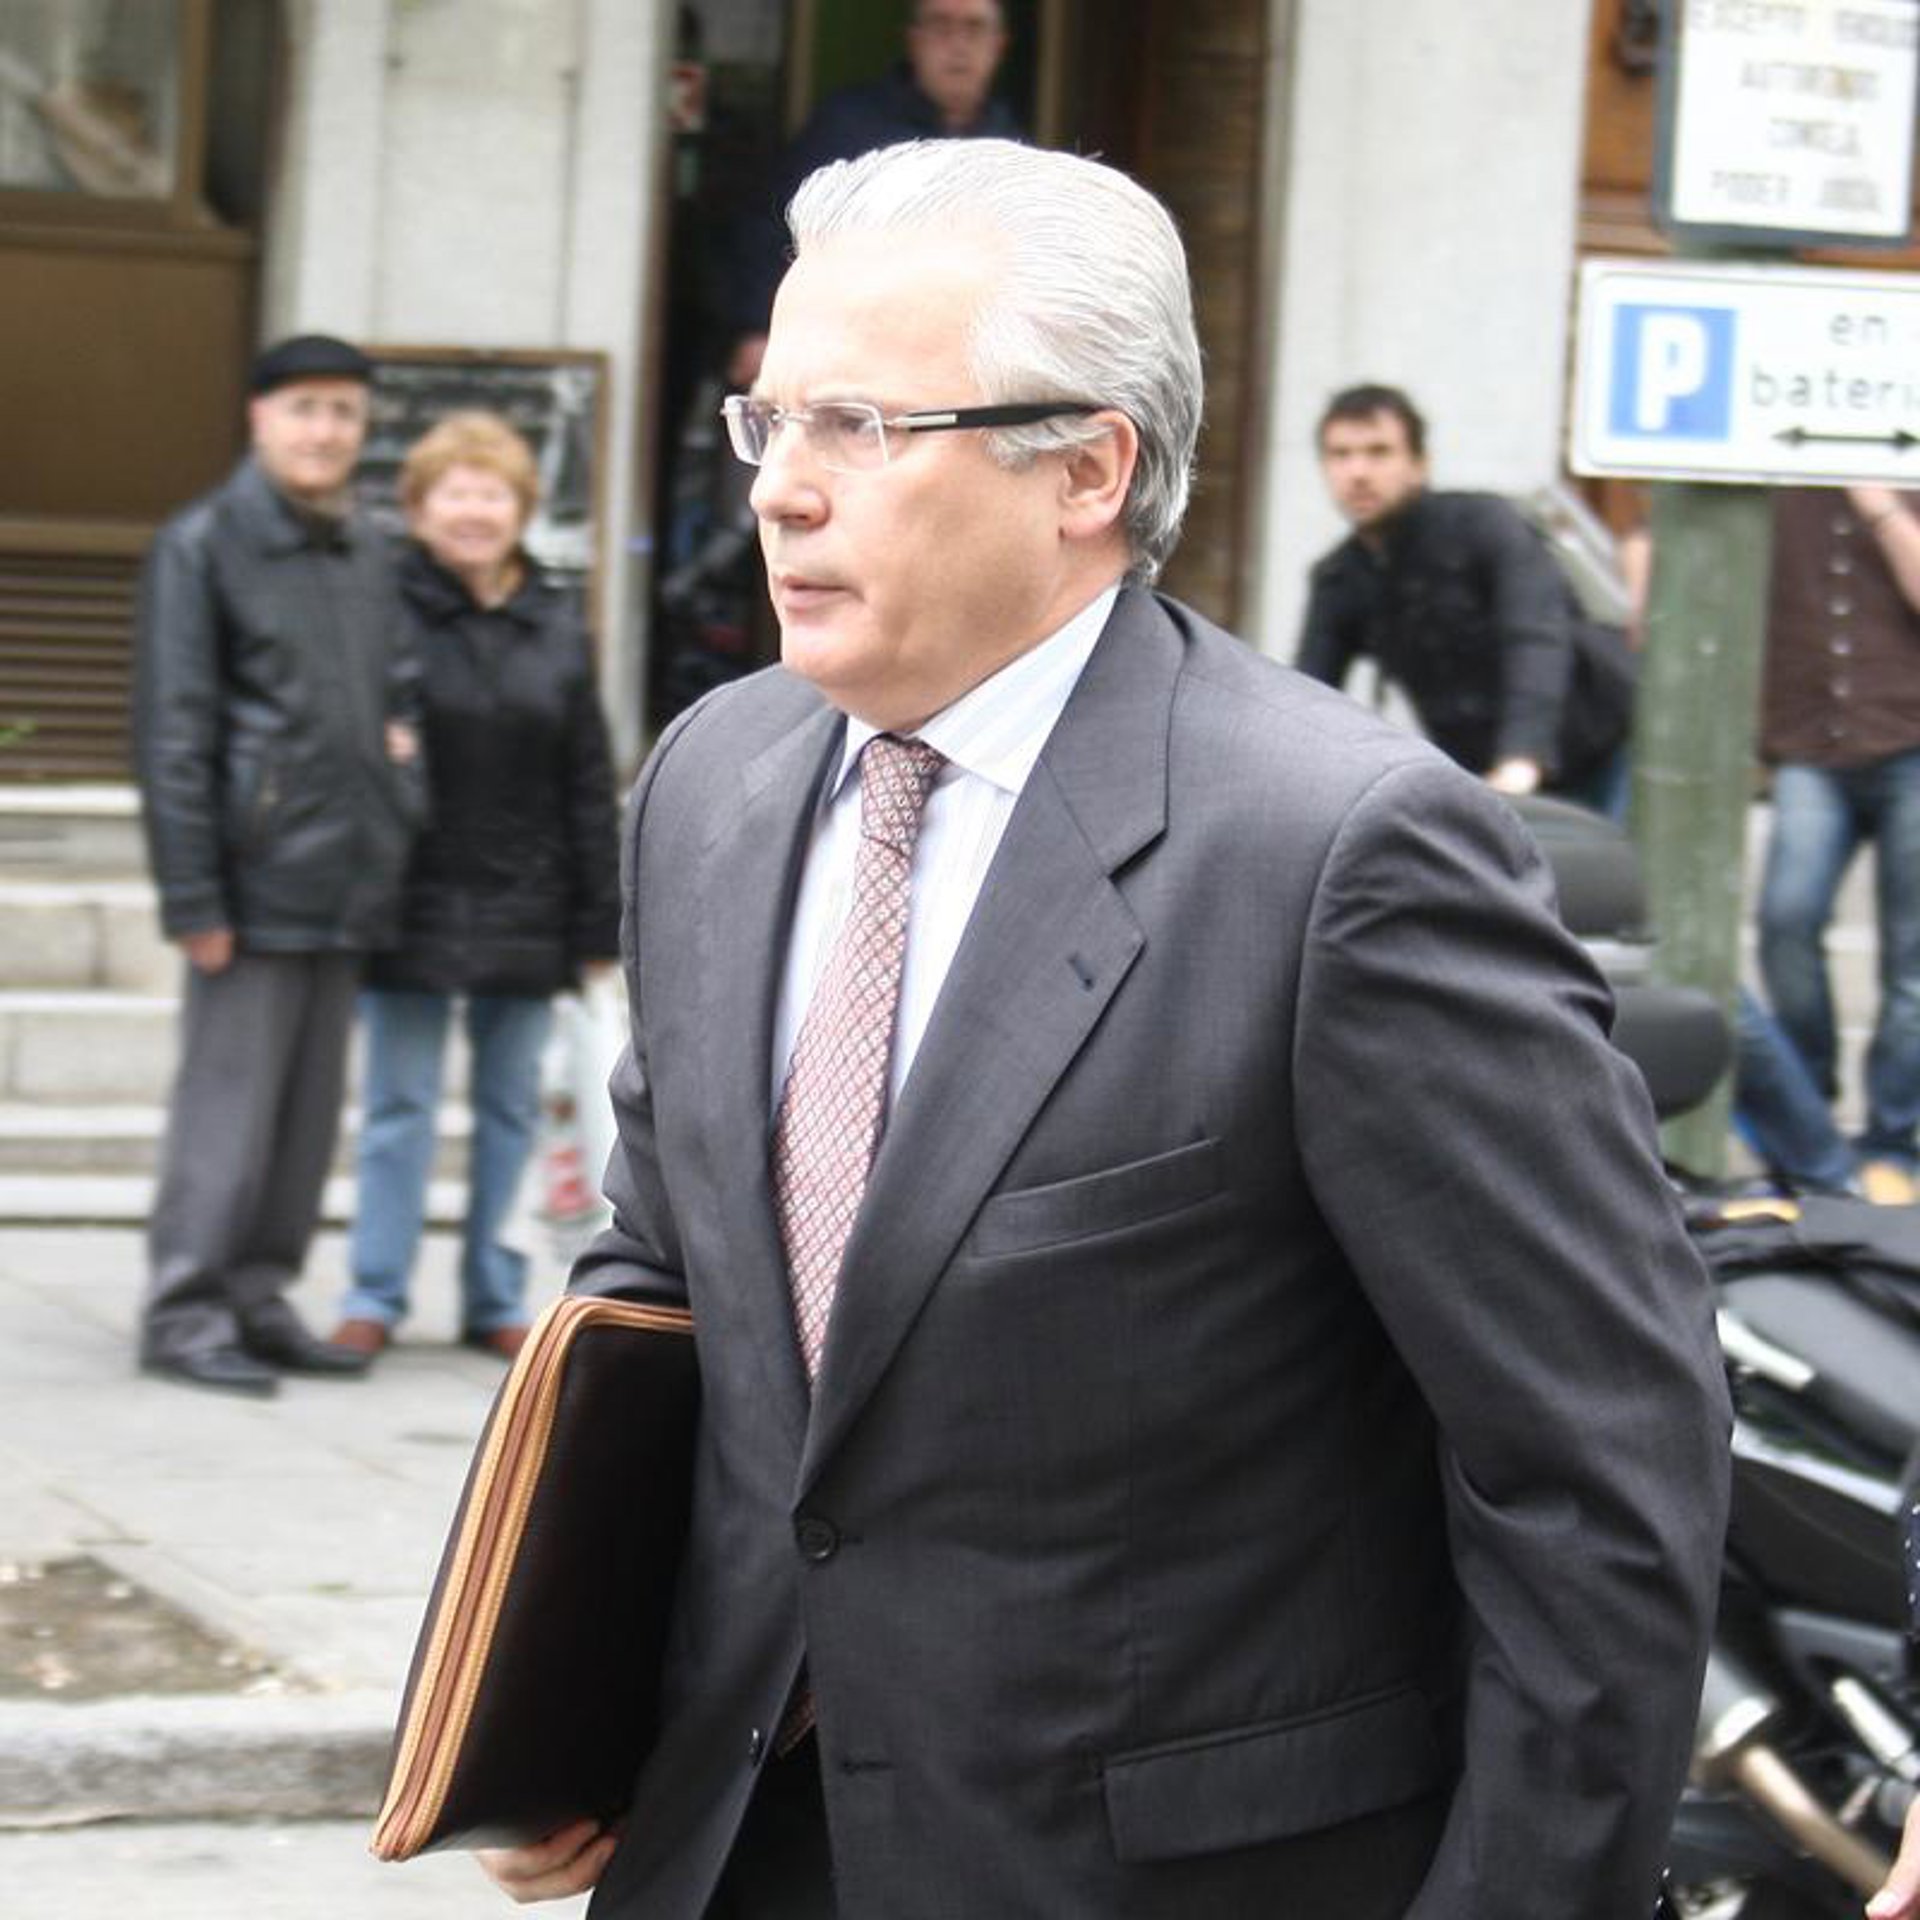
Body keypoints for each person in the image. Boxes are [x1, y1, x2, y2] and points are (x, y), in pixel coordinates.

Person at [477, 139, 1729, 1919]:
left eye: (861, 427)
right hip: (733, 1843)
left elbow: (1598, 1466)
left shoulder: (1337, 850)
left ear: (1086, 469)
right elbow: (667, 1277)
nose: (783, 493)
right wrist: (562, 1711)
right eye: (770, 422)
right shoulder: (714, 775)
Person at [133, 333, 424, 1397]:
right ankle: (187, 1309)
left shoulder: (367, 548)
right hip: (249, 881)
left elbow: (397, 697)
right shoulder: (203, 544)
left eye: (345, 412)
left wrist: (403, 794)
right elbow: (173, 730)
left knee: (303, 1122)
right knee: (228, 1113)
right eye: (305, 408)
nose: (325, 431)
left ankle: (257, 1298)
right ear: (260, 417)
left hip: (346, 870)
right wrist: (192, 894)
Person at [329, 412, 621, 1365]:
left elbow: (586, 777)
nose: (474, 511)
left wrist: (599, 918)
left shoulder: (556, 622)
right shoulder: (383, 609)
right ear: (418, 509)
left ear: (521, 509)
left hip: (528, 897)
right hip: (408, 892)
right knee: (398, 1110)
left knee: (513, 1113)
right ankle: (374, 1295)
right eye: (454, 493)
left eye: (492, 494)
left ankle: (495, 1294)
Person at [1297, 382, 1636, 815]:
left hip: (1603, 748)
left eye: (1379, 452)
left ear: (1419, 465)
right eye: (1340, 455)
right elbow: (1310, 699)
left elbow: (1534, 638)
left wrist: (1521, 759)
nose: (1358, 472)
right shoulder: (1339, 578)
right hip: (1487, 772)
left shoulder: (1485, 526)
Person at [1757, 484, 1920, 1208]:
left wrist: (1878, 502)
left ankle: (1891, 1144)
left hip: (1911, 735)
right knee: (1785, 922)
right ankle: (1809, 1122)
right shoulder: (1774, 467)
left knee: (1912, 962)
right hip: (1808, 742)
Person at [721, 0, 1015, 390]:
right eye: (941, 27)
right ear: (914, 40)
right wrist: (759, 326)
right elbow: (774, 224)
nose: (958, 45)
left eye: (974, 29)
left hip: (958, 365)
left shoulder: (1010, 150)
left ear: (998, 45)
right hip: (844, 350)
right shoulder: (847, 127)